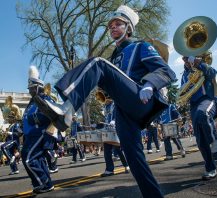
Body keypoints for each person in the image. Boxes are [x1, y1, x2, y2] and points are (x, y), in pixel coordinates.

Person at [33, 5, 175, 198]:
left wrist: (150, 84)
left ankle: (66, 109)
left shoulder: (141, 46)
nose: (113, 28)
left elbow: (167, 71)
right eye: (111, 26)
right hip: (123, 109)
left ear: (129, 28)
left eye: (118, 24)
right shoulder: (113, 57)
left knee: (97, 62)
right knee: (134, 158)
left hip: (141, 99)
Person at [180, 52, 217, 180]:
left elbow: (212, 73)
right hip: (193, 106)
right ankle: (211, 168)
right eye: (184, 58)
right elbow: (183, 91)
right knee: (200, 140)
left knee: (203, 113)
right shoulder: (184, 75)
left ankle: (214, 140)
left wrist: (197, 62)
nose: (186, 60)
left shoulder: (202, 67)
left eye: (187, 57)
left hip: (208, 100)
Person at [21, 66, 55, 193]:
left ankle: (43, 181)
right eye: (29, 89)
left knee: (28, 158)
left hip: (39, 132)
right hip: (30, 134)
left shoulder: (45, 98)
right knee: (38, 159)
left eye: (31, 88)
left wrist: (33, 118)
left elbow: (51, 114)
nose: (30, 91)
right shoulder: (32, 102)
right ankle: (45, 184)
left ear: (38, 87)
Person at [100, 100, 130, 177]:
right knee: (107, 151)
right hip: (107, 131)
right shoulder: (105, 107)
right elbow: (106, 119)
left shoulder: (115, 104)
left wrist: (114, 121)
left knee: (118, 150)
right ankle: (109, 170)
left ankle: (126, 165)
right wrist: (99, 126)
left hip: (115, 130)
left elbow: (119, 115)